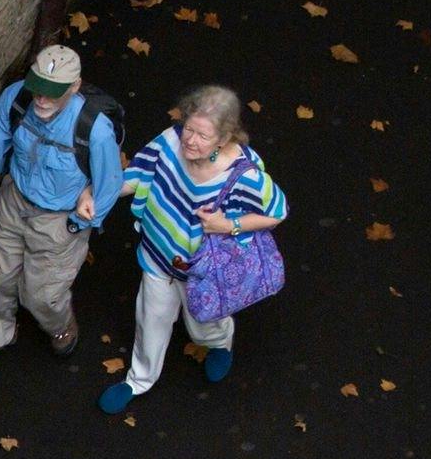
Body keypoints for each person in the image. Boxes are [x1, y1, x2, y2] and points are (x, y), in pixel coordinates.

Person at [100, 82, 289, 415]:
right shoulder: (171, 140)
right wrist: (96, 195)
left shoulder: (244, 175)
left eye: (202, 136)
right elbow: (138, 174)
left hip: (202, 272)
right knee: (151, 319)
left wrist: (227, 226)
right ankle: (138, 380)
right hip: (159, 258)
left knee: (202, 326)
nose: (190, 140)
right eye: (189, 128)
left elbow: (277, 212)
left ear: (225, 137)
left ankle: (220, 342)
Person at [0, 43, 124, 370]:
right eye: (38, 89)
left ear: (74, 87)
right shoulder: (17, 97)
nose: (41, 99)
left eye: (52, 93)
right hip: (14, 201)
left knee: (41, 294)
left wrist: (82, 220)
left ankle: (59, 325)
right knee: (0, 277)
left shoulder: (95, 130)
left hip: (59, 220)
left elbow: (110, 182)